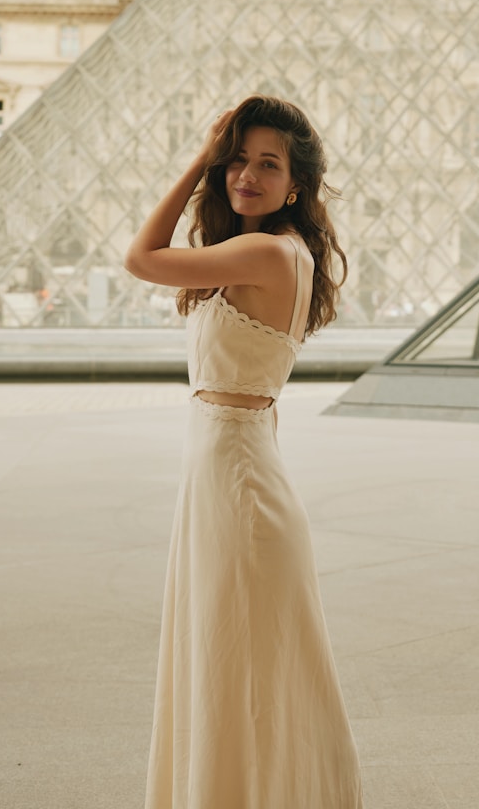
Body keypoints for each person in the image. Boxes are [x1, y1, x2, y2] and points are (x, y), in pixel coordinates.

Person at [125, 95, 364, 809]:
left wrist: (200, 157)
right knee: (240, 672)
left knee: (237, 675)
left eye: (267, 163)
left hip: (234, 488)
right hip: (235, 477)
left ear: (295, 185)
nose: (245, 174)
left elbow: (141, 258)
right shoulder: (276, 250)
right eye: (237, 159)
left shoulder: (265, 250)